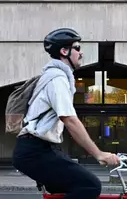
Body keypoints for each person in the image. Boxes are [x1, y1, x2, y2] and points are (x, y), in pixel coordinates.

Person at [12, 27, 120, 199]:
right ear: (64, 51)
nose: (81, 53)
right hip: (34, 152)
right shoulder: (57, 79)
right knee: (89, 185)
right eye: (77, 48)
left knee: (70, 188)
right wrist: (99, 154)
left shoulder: (56, 77)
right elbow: (70, 120)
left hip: (42, 149)